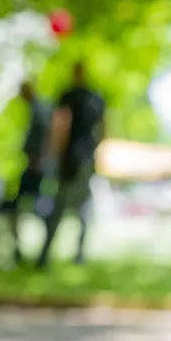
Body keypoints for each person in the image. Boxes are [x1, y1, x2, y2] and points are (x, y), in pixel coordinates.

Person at [36, 62, 106, 266]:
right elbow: (103, 130)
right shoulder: (96, 99)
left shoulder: (68, 96)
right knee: (83, 205)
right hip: (87, 159)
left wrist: (52, 152)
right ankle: (79, 254)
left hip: (70, 159)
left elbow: (60, 126)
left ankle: (46, 254)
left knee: (60, 205)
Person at [5, 78, 51, 233]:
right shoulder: (36, 109)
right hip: (35, 164)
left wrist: (36, 159)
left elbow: (42, 137)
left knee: (30, 203)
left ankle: (49, 226)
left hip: (36, 165)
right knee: (23, 203)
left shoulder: (39, 110)